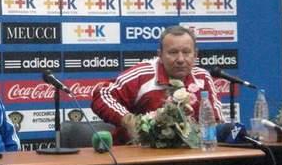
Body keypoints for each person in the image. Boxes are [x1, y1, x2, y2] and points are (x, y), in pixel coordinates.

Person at [91, 25, 223, 144]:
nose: (180, 59)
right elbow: (102, 94)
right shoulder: (142, 74)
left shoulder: (202, 77)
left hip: (189, 155)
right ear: (160, 55)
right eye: (173, 52)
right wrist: (128, 120)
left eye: (186, 52)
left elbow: (215, 122)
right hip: (137, 153)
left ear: (195, 54)